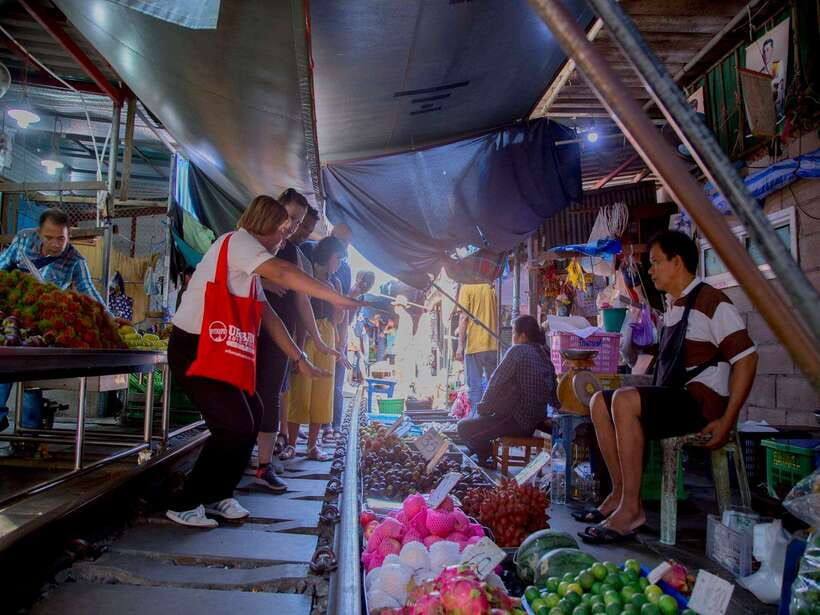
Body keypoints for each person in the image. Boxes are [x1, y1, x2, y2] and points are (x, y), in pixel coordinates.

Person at [166, 195, 361, 528]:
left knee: (253, 413)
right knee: (233, 423)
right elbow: (284, 273)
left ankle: (218, 495)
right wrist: (334, 296)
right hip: (193, 349)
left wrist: (298, 358)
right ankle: (187, 501)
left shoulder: (249, 265)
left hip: (217, 349)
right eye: (281, 232)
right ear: (263, 226)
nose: (284, 240)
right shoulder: (238, 242)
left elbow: (269, 316)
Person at [578, 230, 758, 544]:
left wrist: (728, 419)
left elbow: (747, 359)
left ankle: (632, 509)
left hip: (701, 406)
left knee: (623, 400)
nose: (650, 270)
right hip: (676, 399)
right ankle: (619, 495)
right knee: (599, 402)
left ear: (677, 262)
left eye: (656, 262)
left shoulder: (712, 302)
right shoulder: (674, 307)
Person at [253, 189, 342, 491]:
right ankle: (241, 457)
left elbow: (302, 298)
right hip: (246, 332)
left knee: (271, 396)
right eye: (291, 218)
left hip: (280, 335)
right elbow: (230, 274)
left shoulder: (291, 252)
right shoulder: (248, 243)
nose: (293, 227)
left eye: (300, 221)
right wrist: (262, 281)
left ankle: (264, 465)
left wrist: (316, 339)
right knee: (244, 396)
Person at [457, 315, 558, 466]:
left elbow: (495, 381)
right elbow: (553, 394)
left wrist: (483, 408)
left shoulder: (518, 351)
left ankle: (486, 458)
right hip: (537, 419)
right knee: (476, 427)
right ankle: (480, 452)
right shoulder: (545, 354)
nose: (513, 337)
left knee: (464, 427)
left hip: (518, 420)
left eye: (514, 333)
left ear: (522, 336)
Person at [287, 236, 348, 461]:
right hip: (302, 332)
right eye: (338, 258)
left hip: (327, 332)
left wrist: (337, 301)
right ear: (326, 256)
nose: (339, 263)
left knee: (323, 389)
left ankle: (313, 446)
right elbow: (299, 309)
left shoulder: (336, 282)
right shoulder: (306, 276)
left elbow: (339, 318)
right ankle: (291, 443)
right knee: (299, 388)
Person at [0, 208, 110, 310]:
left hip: (43, 312)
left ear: (69, 235)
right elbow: (2, 265)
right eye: (49, 238)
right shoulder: (23, 241)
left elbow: (87, 288)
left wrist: (109, 317)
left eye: (61, 238)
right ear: (39, 233)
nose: (55, 245)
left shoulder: (75, 261)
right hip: (10, 306)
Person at [455, 283, 499, 415]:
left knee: (475, 388)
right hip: (493, 345)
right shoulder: (490, 287)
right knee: (494, 386)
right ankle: (493, 418)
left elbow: (463, 318)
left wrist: (460, 346)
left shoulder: (466, 288)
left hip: (475, 346)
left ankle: (477, 419)